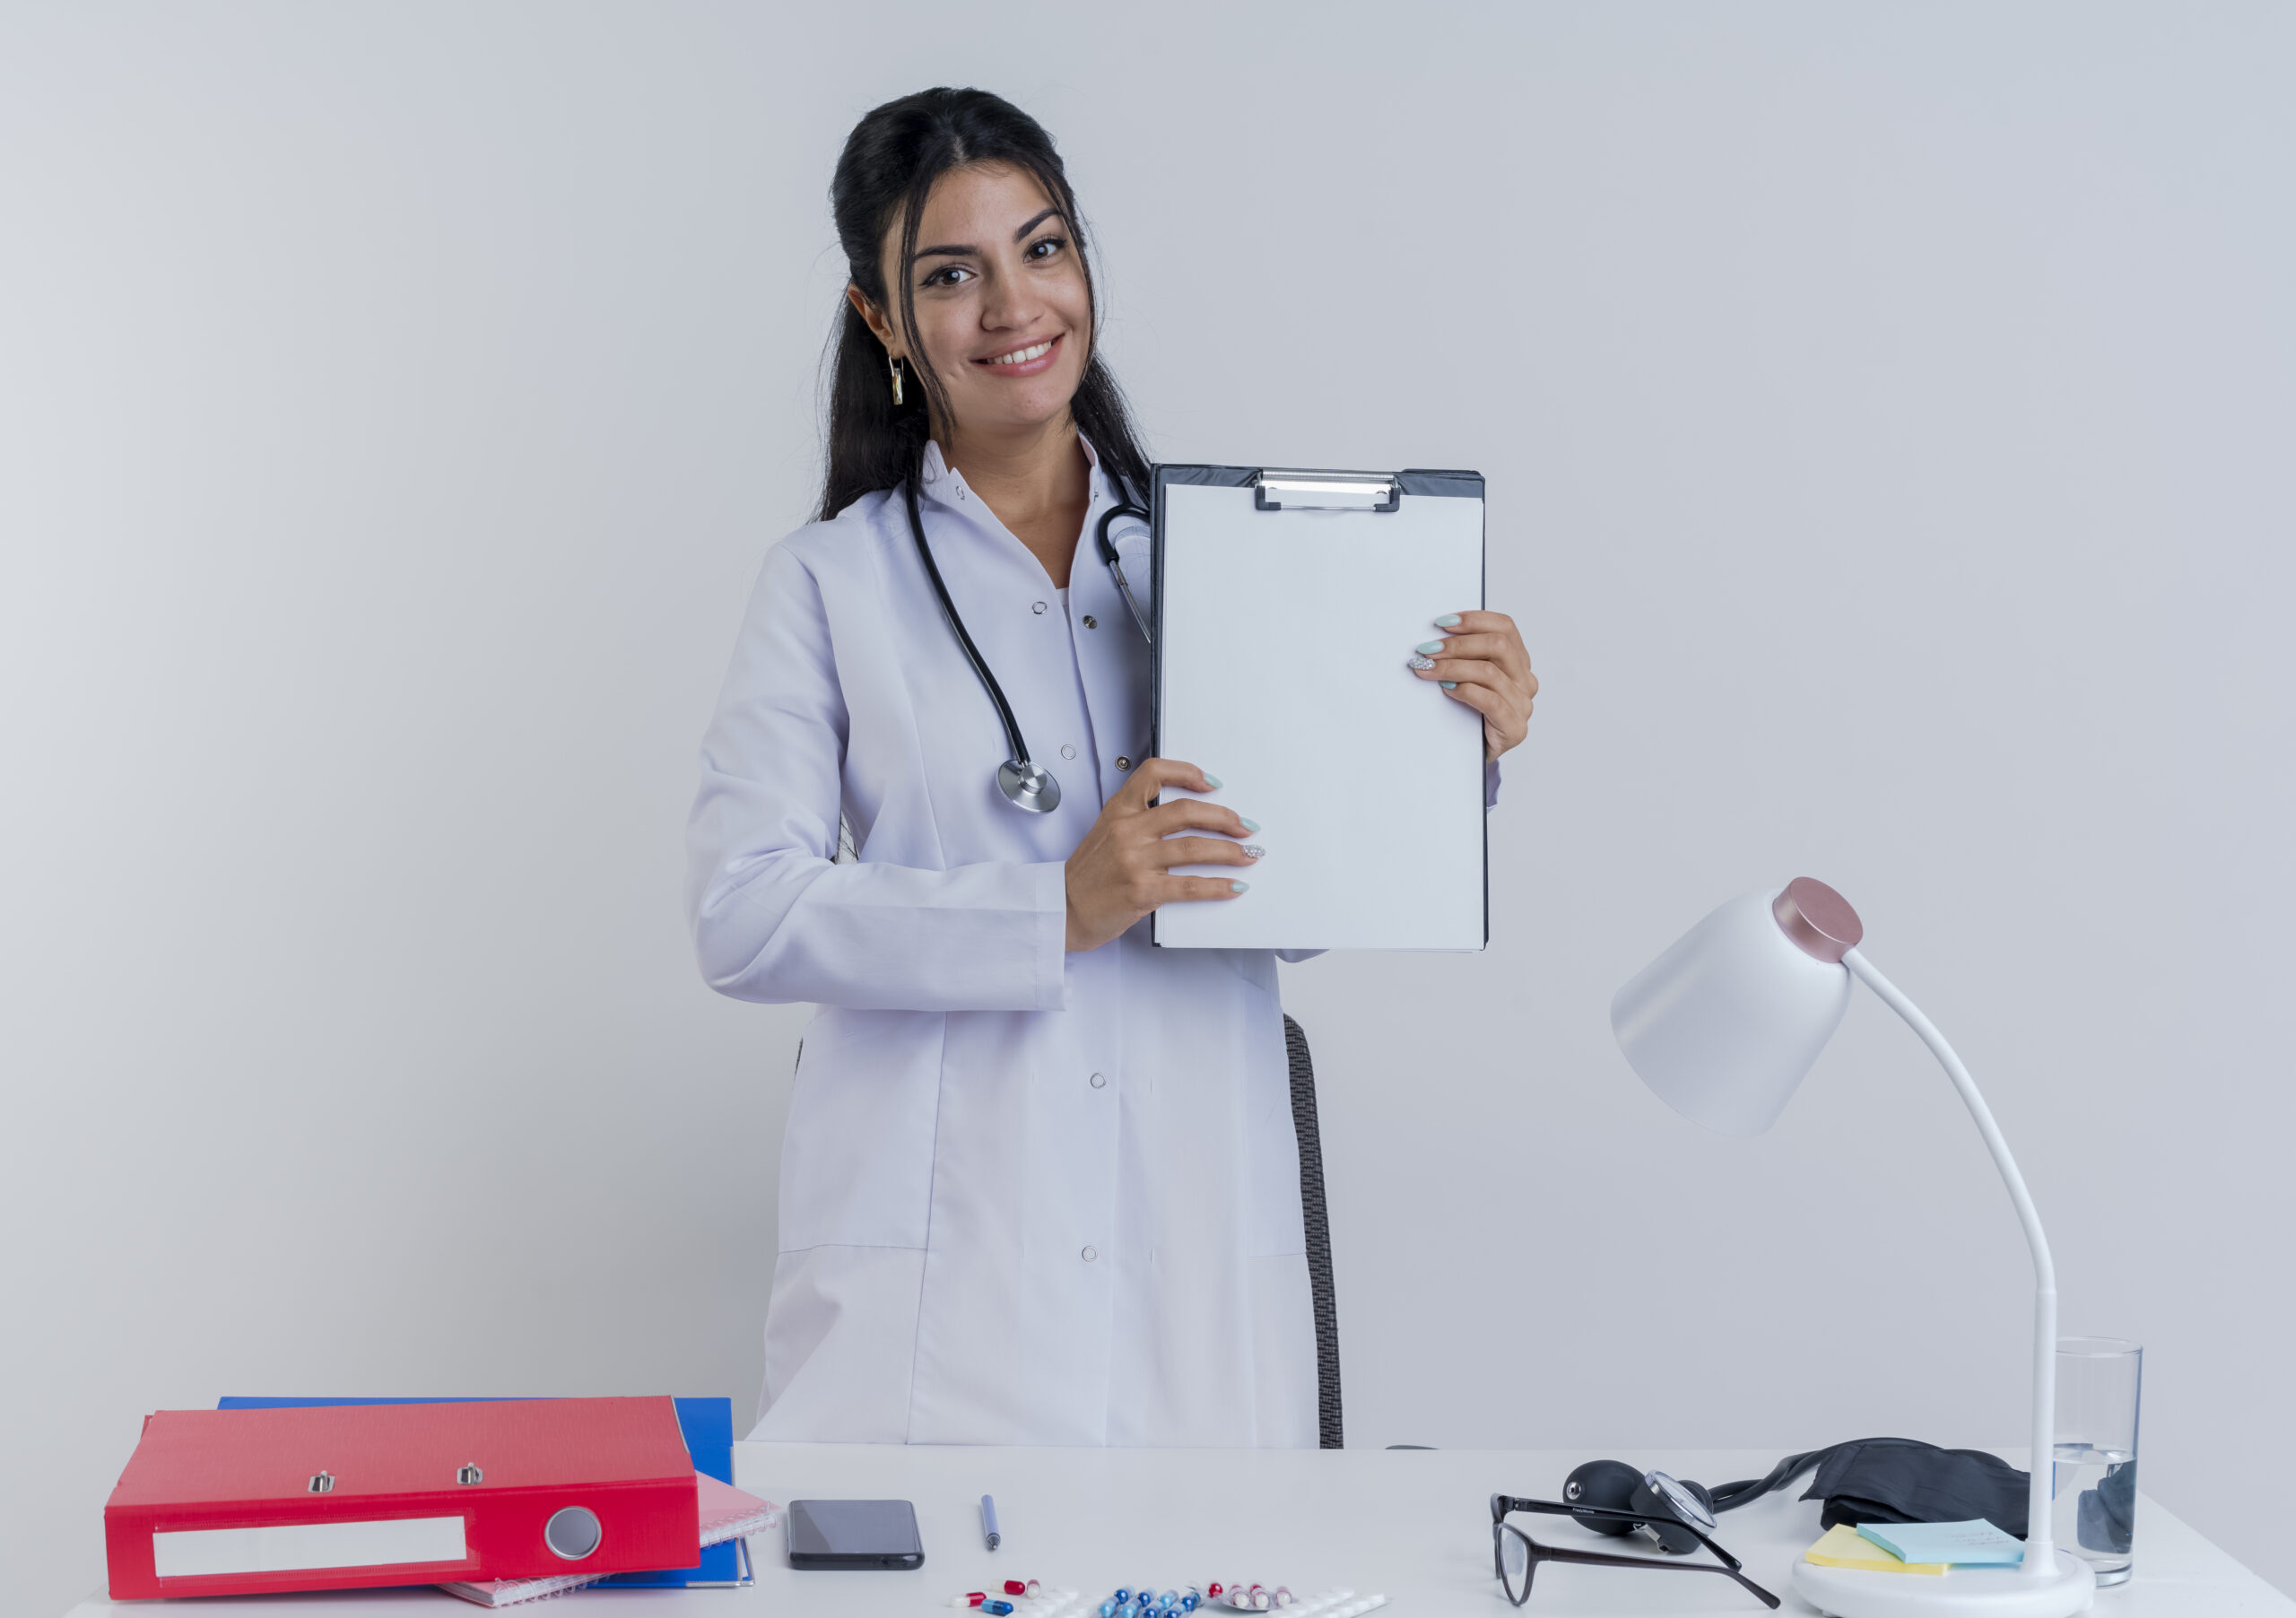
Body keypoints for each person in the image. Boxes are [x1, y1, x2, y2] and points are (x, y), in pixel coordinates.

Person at [685, 87, 1537, 1446]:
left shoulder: (1225, 562)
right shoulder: (830, 583)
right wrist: (1052, 910)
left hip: (1191, 1271)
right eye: (950, 276)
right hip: (940, 1297)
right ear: (884, 322)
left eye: (1043, 249)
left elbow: (1289, 886)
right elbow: (743, 913)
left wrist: (1446, 750)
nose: (1015, 307)